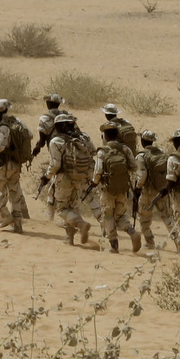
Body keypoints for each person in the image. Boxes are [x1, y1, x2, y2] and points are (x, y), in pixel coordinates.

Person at [41, 113, 96, 247]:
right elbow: (93, 153)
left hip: (63, 178)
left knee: (62, 209)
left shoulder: (56, 141)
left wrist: (46, 177)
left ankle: (81, 224)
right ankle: (69, 238)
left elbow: (55, 164)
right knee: (72, 207)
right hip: (80, 177)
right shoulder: (84, 138)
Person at [92, 124, 140, 253]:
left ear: (106, 136)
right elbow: (134, 166)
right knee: (119, 215)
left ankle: (114, 246)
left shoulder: (102, 151)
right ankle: (131, 231)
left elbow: (98, 171)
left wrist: (94, 182)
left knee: (108, 216)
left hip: (107, 189)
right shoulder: (125, 149)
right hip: (123, 188)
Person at [0, 99, 27, 233]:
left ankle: (6, 216)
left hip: (4, 165)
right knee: (14, 193)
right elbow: (28, 134)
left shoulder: (3, 127)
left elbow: (0, 147)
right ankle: (18, 225)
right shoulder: (16, 122)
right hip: (16, 164)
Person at [134, 130, 180, 253]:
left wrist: (138, 188)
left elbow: (142, 175)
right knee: (167, 217)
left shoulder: (141, 156)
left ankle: (149, 242)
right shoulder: (161, 153)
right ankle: (179, 241)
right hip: (162, 190)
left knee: (144, 218)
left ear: (143, 141)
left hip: (147, 192)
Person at [33, 94, 67, 221]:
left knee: (53, 186)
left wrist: (35, 151)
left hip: (56, 153)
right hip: (70, 154)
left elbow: (42, 141)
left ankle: (51, 218)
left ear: (48, 104)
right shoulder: (66, 116)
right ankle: (50, 218)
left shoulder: (44, 118)